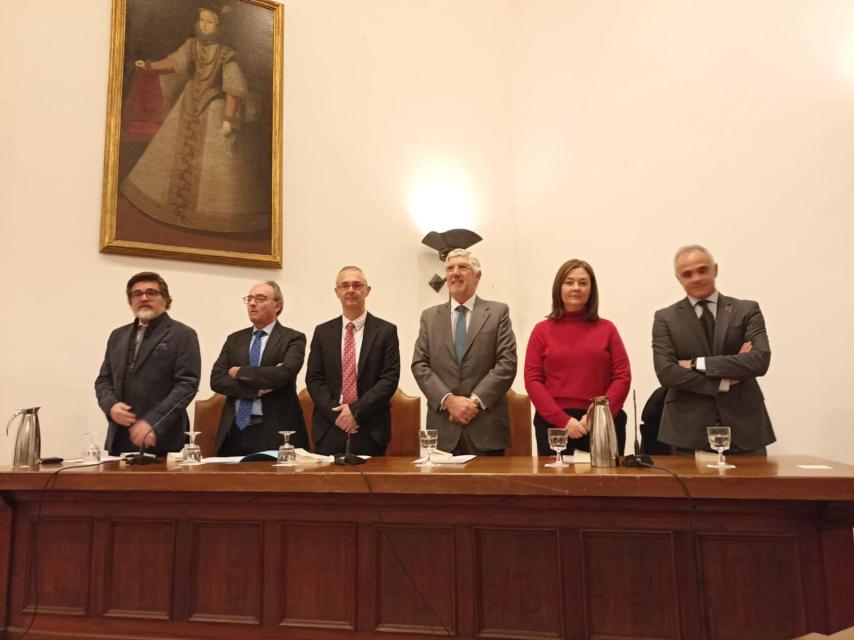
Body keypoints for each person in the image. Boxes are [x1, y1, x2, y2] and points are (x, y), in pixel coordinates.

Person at [121, 4, 267, 233]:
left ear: (220, 26)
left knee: (221, 168)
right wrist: (149, 65)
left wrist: (228, 118)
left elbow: (234, 87)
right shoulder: (191, 46)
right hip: (188, 102)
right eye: (202, 21)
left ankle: (214, 216)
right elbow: (174, 63)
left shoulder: (227, 55)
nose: (205, 25)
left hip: (215, 106)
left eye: (210, 22)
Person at [652, 245, 775, 453]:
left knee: (753, 487)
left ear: (715, 269)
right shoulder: (665, 318)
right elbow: (667, 373)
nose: (696, 278)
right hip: (687, 430)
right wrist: (726, 380)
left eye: (702, 270)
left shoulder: (747, 310)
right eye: (687, 274)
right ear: (678, 278)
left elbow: (759, 360)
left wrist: (695, 363)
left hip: (745, 426)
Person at [412, 249, 517, 455]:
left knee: (488, 488)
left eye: (463, 267)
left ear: (477, 276)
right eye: (450, 268)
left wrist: (473, 402)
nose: (455, 272)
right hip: (443, 428)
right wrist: (449, 400)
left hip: (486, 428)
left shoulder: (498, 313)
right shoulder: (429, 316)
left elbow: (506, 364)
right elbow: (420, 365)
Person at [524, 259, 631, 456]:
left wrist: (595, 417)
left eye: (583, 283)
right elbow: (533, 380)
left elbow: (622, 376)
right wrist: (564, 421)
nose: (576, 288)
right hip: (554, 424)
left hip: (603, 421)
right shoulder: (541, 331)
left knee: (605, 485)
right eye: (569, 282)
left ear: (591, 289)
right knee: (556, 485)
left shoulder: (607, 329)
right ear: (559, 287)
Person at [95, 272, 201, 456]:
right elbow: (103, 380)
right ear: (130, 301)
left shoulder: (183, 334)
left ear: (165, 299)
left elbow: (187, 385)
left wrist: (154, 422)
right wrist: (110, 406)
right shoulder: (117, 336)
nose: (144, 298)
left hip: (163, 438)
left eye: (151, 292)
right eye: (137, 294)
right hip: (119, 438)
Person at [306, 266, 400, 456]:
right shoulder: (322, 332)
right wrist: (339, 415)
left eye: (357, 285)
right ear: (337, 292)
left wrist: (355, 411)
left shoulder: (386, 331)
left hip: (369, 426)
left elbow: (389, 379)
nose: (351, 290)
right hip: (330, 426)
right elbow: (314, 379)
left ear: (367, 290)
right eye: (345, 285)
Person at [210, 281, 308, 456]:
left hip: (275, 431)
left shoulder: (293, 338)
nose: (252, 303)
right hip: (234, 431)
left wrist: (237, 372)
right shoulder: (234, 339)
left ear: (277, 306)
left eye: (260, 299)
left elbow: (284, 375)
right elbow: (216, 380)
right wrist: (254, 391)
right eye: (249, 299)